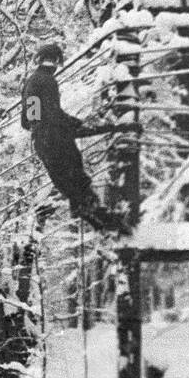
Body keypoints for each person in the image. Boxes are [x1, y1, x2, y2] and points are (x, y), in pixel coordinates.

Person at [21, 42, 130, 237]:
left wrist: (55, 125)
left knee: (68, 185)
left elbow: (29, 120)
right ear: (55, 61)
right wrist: (75, 123)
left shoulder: (31, 82)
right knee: (77, 180)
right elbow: (53, 114)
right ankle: (109, 224)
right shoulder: (48, 81)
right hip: (57, 141)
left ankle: (102, 224)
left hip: (42, 143)